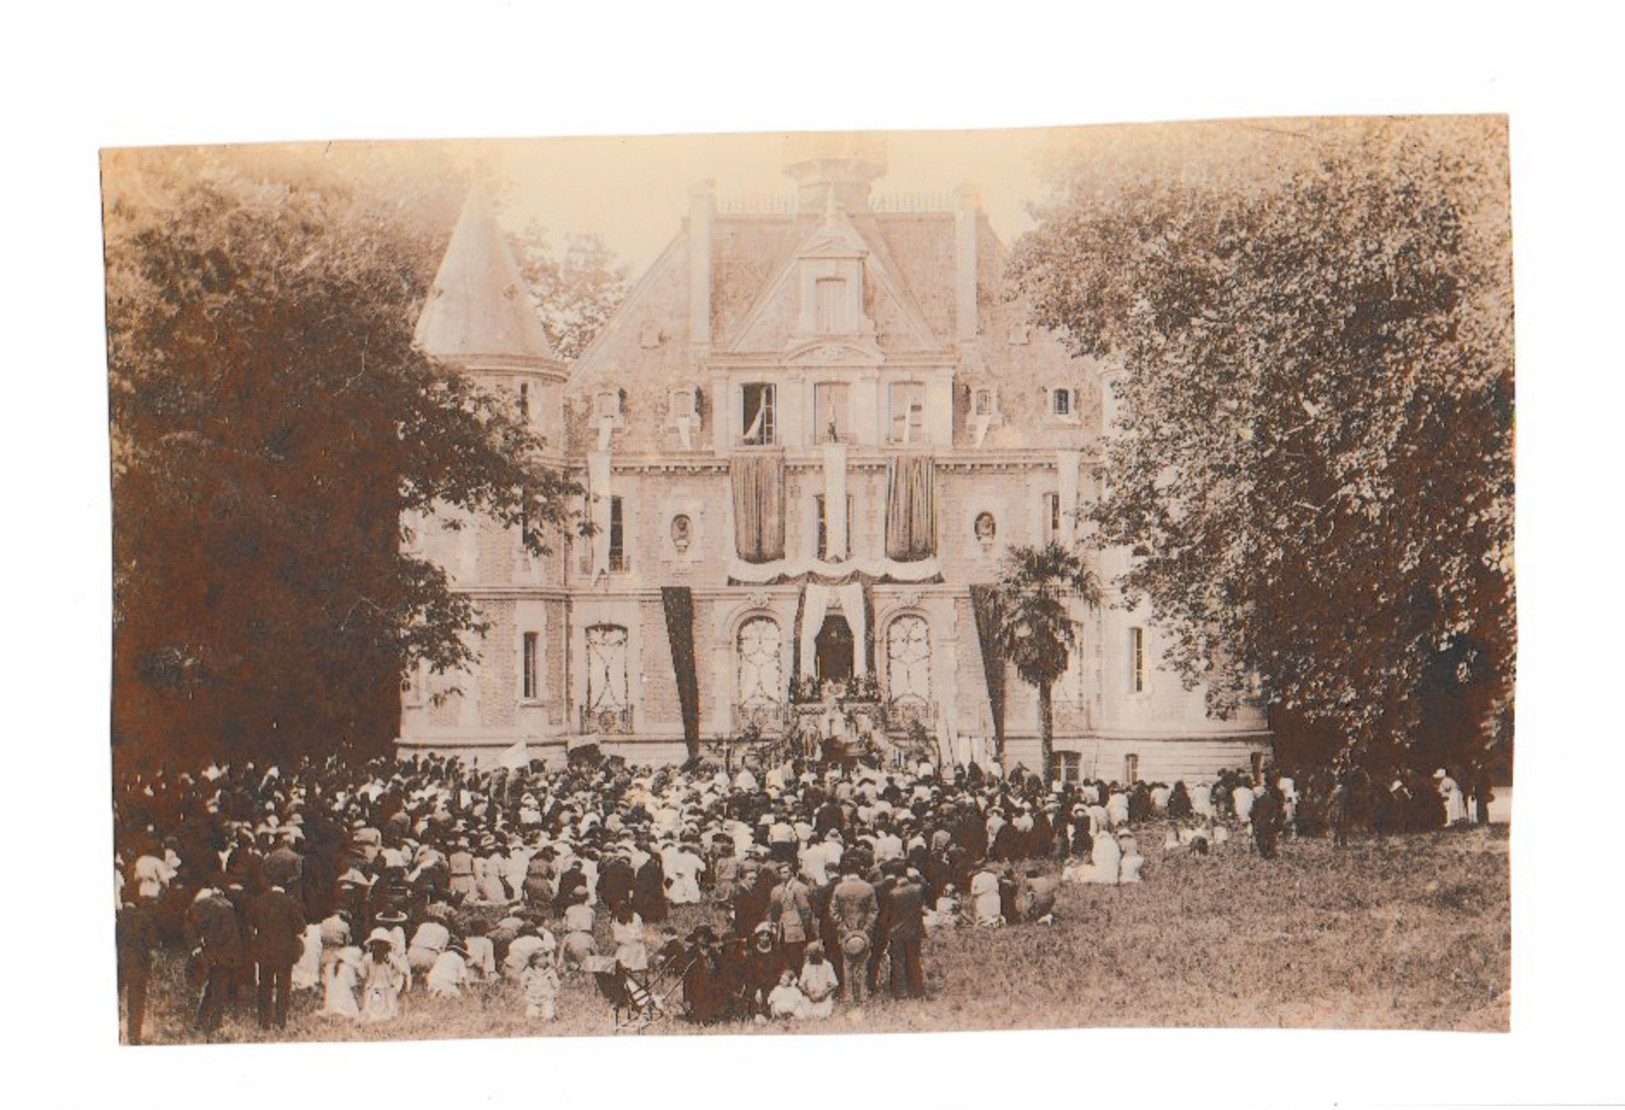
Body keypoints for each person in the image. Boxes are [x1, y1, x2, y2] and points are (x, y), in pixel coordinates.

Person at [185, 887, 243, 1037]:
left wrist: (200, 945)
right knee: (219, 990)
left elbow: (191, 926)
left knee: (210, 990)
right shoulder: (227, 906)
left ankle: (200, 1023)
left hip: (209, 954)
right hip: (224, 955)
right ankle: (214, 1025)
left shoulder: (201, 905)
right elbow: (227, 932)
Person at [116, 897, 158, 1045]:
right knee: (136, 1005)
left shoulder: (117, 918)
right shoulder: (144, 918)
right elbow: (153, 944)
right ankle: (134, 1038)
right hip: (139, 967)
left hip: (119, 964)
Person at [884, 867, 926, 999]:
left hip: (897, 931)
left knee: (898, 962)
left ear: (895, 877)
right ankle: (917, 990)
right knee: (914, 960)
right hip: (914, 930)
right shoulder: (918, 889)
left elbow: (888, 915)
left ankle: (901, 992)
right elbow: (924, 883)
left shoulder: (893, 893)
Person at [358, 928, 408, 1023]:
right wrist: (365, 989)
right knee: (372, 1011)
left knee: (389, 1012)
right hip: (373, 990)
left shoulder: (392, 959)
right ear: (372, 946)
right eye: (376, 944)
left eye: (382, 944)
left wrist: (399, 989)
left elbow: (402, 973)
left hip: (388, 990)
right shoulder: (367, 959)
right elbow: (361, 976)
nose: (378, 947)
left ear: (387, 946)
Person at [797, 943, 839, 1019]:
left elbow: (834, 984)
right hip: (810, 996)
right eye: (809, 956)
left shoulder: (827, 965)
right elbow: (801, 985)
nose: (810, 958)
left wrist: (823, 994)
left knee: (821, 1014)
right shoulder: (806, 966)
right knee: (804, 1014)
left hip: (824, 996)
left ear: (819, 955)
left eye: (813, 955)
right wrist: (810, 995)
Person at [520, 943, 561, 1021]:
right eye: (542, 958)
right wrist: (528, 992)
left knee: (548, 1016)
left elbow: (556, 984)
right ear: (534, 960)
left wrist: (553, 994)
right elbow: (523, 984)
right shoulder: (528, 972)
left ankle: (552, 1009)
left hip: (546, 999)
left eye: (545, 957)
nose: (545, 959)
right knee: (531, 1016)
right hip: (533, 999)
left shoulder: (550, 971)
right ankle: (536, 1011)